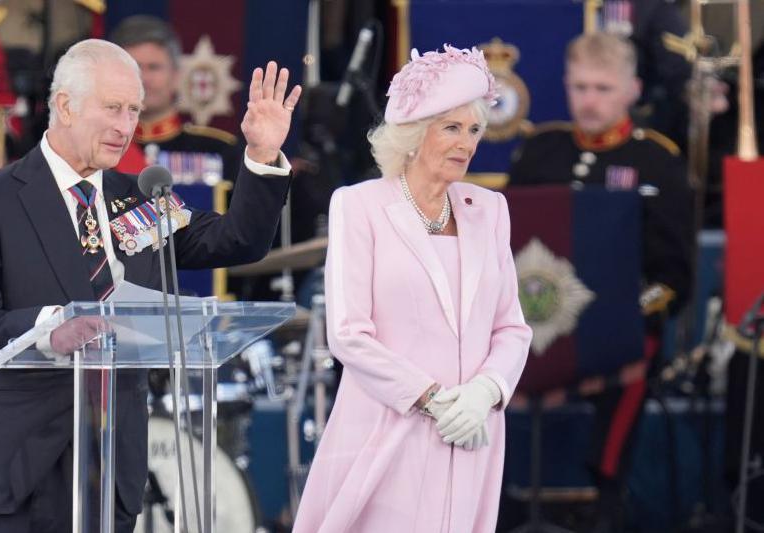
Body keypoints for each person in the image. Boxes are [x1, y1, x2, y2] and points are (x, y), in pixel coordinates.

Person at [0, 39, 300, 531]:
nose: (125, 125)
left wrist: (261, 154)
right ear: (65, 106)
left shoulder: (139, 198)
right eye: (112, 107)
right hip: (21, 467)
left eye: (134, 109)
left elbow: (236, 240)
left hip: (114, 465)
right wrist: (52, 327)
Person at [293, 44, 532, 532]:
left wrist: (484, 392)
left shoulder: (489, 210)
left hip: (470, 432)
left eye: (473, 130)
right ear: (412, 135)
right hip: (389, 427)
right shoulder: (359, 206)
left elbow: (512, 326)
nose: (465, 143)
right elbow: (348, 333)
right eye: (451, 128)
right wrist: (433, 398)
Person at [508, 32, 694, 530]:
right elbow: (504, 245)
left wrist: (625, 314)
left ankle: (607, 496)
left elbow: (675, 275)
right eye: (581, 87)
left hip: (619, 325)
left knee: (636, 352)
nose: (590, 100)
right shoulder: (540, 152)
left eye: (603, 88)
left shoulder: (657, 162)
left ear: (633, 89)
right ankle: (496, 497)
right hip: (534, 318)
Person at [108, 15, 240, 182]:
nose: (144, 78)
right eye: (135, 67)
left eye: (154, 67)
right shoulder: (99, 147)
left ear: (176, 76)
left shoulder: (218, 150)